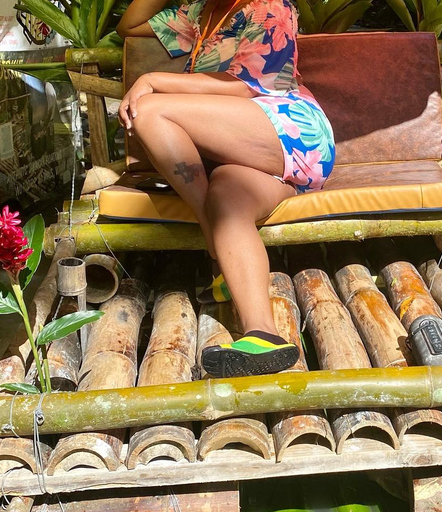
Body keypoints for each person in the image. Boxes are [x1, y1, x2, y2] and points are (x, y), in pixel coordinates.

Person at [116, 0, 335, 378]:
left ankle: (211, 244)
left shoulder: (270, 8)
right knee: (227, 202)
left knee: (150, 109)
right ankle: (264, 334)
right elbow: (129, 25)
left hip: (289, 131)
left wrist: (152, 79)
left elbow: (246, 86)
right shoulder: (199, 12)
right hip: (244, 152)